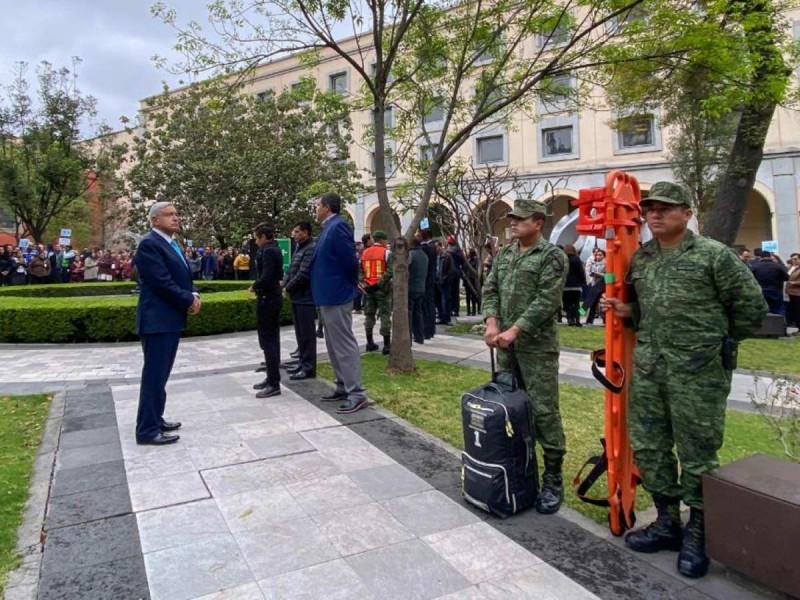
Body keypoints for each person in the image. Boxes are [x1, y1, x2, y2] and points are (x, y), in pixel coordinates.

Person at [601, 182, 767, 579]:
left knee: (697, 454)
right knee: (651, 447)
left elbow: (752, 308)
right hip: (652, 370)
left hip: (699, 374)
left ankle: (698, 529)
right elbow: (646, 312)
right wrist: (627, 310)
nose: (654, 215)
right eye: (650, 209)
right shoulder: (642, 259)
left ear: (686, 213)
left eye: (665, 208)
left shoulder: (714, 256)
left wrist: (715, 345)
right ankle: (667, 520)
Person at [482, 199, 568, 515]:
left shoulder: (552, 256)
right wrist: (492, 323)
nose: (513, 223)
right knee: (511, 413)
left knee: (544, 411)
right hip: (507, 350)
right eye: (512, 219)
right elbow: (490, 290)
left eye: (520, 219)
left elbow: (547, 300)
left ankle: (553, 478)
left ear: (538, 223)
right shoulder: (504, 254)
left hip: (537, 348)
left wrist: (515, 330)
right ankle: (520, 470)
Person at [134, 202, 200, 445]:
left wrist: (194, 294)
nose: (176, 218)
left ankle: (155, 418)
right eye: (169, 214)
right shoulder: (150, 244)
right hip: (157, 320)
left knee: (160, 375)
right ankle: (147, 430)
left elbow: (182, 275)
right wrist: (187, 299)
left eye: (176, 213)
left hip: (168, 319)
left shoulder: (170, 243)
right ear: (154, 220)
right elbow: (161, 282)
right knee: (154, 376)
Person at [310, 192, 368, 414]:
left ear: (326, 206)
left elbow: (349, 261)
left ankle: (357, 393)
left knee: (343, 344)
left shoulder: (338, 226)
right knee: (333, 345)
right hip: (327, 295)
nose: (315, 209)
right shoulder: (328, 227)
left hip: (337, 294)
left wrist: (352, 285)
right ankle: (342, 385)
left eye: (317, 205)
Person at [250, 223, 284, 398]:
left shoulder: (269, 251)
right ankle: (271, 376)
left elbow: (268, 275)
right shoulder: (273, 249)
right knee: (271, 339)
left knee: (268, 340)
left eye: (257, 237)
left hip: (268, 298)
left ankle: (273, 382)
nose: (256, 241)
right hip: (271, 297)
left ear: (263, 236)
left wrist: (255, 286)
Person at [283, 221, 317, 379]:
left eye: (297, 232)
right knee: (300, 334)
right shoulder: (299, 248)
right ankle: (302, 363)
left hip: (306, 297)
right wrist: (285, 284)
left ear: (305, 233)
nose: (294, 234)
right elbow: (291, 270)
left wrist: (288, 287)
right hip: (297, 297)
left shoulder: (310, 248)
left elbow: (304, 274)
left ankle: (308, 368)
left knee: (307, 335)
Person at [360, 230, 392, 354]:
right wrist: (379, 284)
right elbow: (390, 271)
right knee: (384, 315)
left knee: (369, 314)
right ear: (382, 240)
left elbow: (360, 271)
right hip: (382, 289)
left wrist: (365, 284)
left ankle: (369, 342)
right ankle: (386, 345)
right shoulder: (386, 252)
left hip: (369, 289)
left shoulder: (364, 252)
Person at [750, 250, 789, 315]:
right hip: (776, 290)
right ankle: (779, 324)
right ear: (770, 256)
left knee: (762, 310)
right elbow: (786, 277)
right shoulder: (777, 266)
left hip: (761, 290)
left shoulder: (755, 266)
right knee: (778, 310)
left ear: (760, 257)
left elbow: (751, 278)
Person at [408, 235, 429, 344]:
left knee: (409, 314)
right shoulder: (424, 255)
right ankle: (419, 337)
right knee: (418, 313)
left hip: (410, 288)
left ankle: (408, 338)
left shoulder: (411, 255)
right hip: (421, 288)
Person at [418, 229, 438, 339]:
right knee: (428, 306)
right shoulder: (431, 246)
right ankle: (429, 330)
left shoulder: (428, 247)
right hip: (430, 279)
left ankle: (427, 330)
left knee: (427, 306)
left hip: (427, 280)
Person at [562, 244, 585, 326]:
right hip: (576, 285)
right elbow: (581, 272)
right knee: (576, 304)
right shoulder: (577, 259)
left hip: (565, 285)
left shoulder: (563, 259)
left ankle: (570, 319)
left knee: (567, 304)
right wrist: (582, 282)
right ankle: (577, 320)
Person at [583, 248, 606, 324]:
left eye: (600, 255)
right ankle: (588, 319)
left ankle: (605, 320)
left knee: (603, 304)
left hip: (602, 285)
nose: (598, 256)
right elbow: (588, 271)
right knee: (591, 303)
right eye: (596, 255)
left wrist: (598, 274)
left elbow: (608, 275)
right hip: (594, 284)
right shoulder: (593, 263)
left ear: (604, 256)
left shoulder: (606, 264)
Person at [465, 248, 481, 316]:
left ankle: (474, 311)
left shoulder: (475, 260)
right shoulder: (466, 260)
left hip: (473, 280)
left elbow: (475, 269)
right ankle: (468, 311)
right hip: (467, 280)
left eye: (469, 252)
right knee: (468, 296)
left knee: (473, 296)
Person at [786, 253, 800, 331]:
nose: (793, 261)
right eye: (792, 259)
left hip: (798, 292)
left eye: (795, 259)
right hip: (791, 292)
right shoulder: (794, 268)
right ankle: (796, 326)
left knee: (798, 310)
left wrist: (794, 283)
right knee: (794, 310)